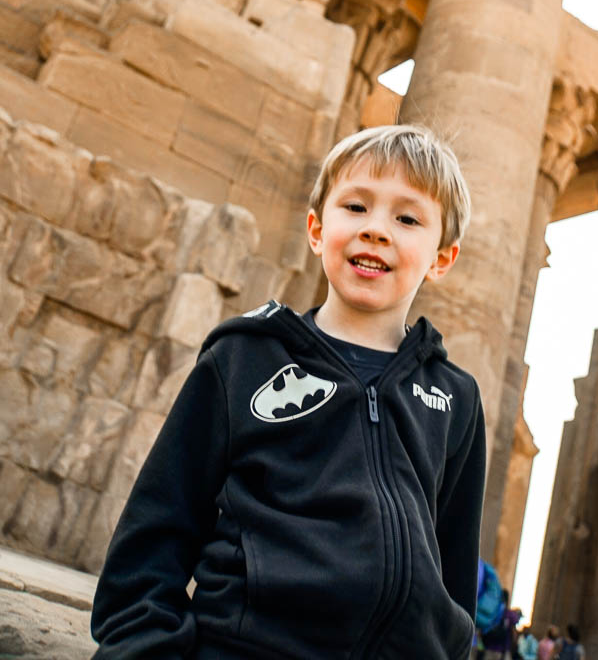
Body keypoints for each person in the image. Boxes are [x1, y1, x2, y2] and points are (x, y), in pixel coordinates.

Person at [91, 124, 486, 659]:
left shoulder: (455, 398)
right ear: (317, 230)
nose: (376, 229)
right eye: (356, 206)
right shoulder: (243, 356)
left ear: (441, 258)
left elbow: (454, 565)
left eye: (407, 218)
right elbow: (156, 529)